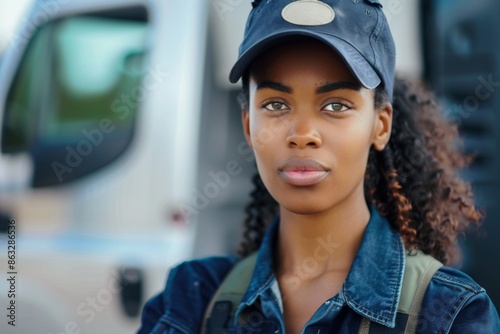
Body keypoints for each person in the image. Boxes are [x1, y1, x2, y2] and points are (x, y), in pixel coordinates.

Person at [138, 0, 500, 333]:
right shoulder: (190, 300)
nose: (302, 134)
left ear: (381, 125)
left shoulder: (451, 313)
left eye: (336, 105)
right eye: (276, 105)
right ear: (249, 126)